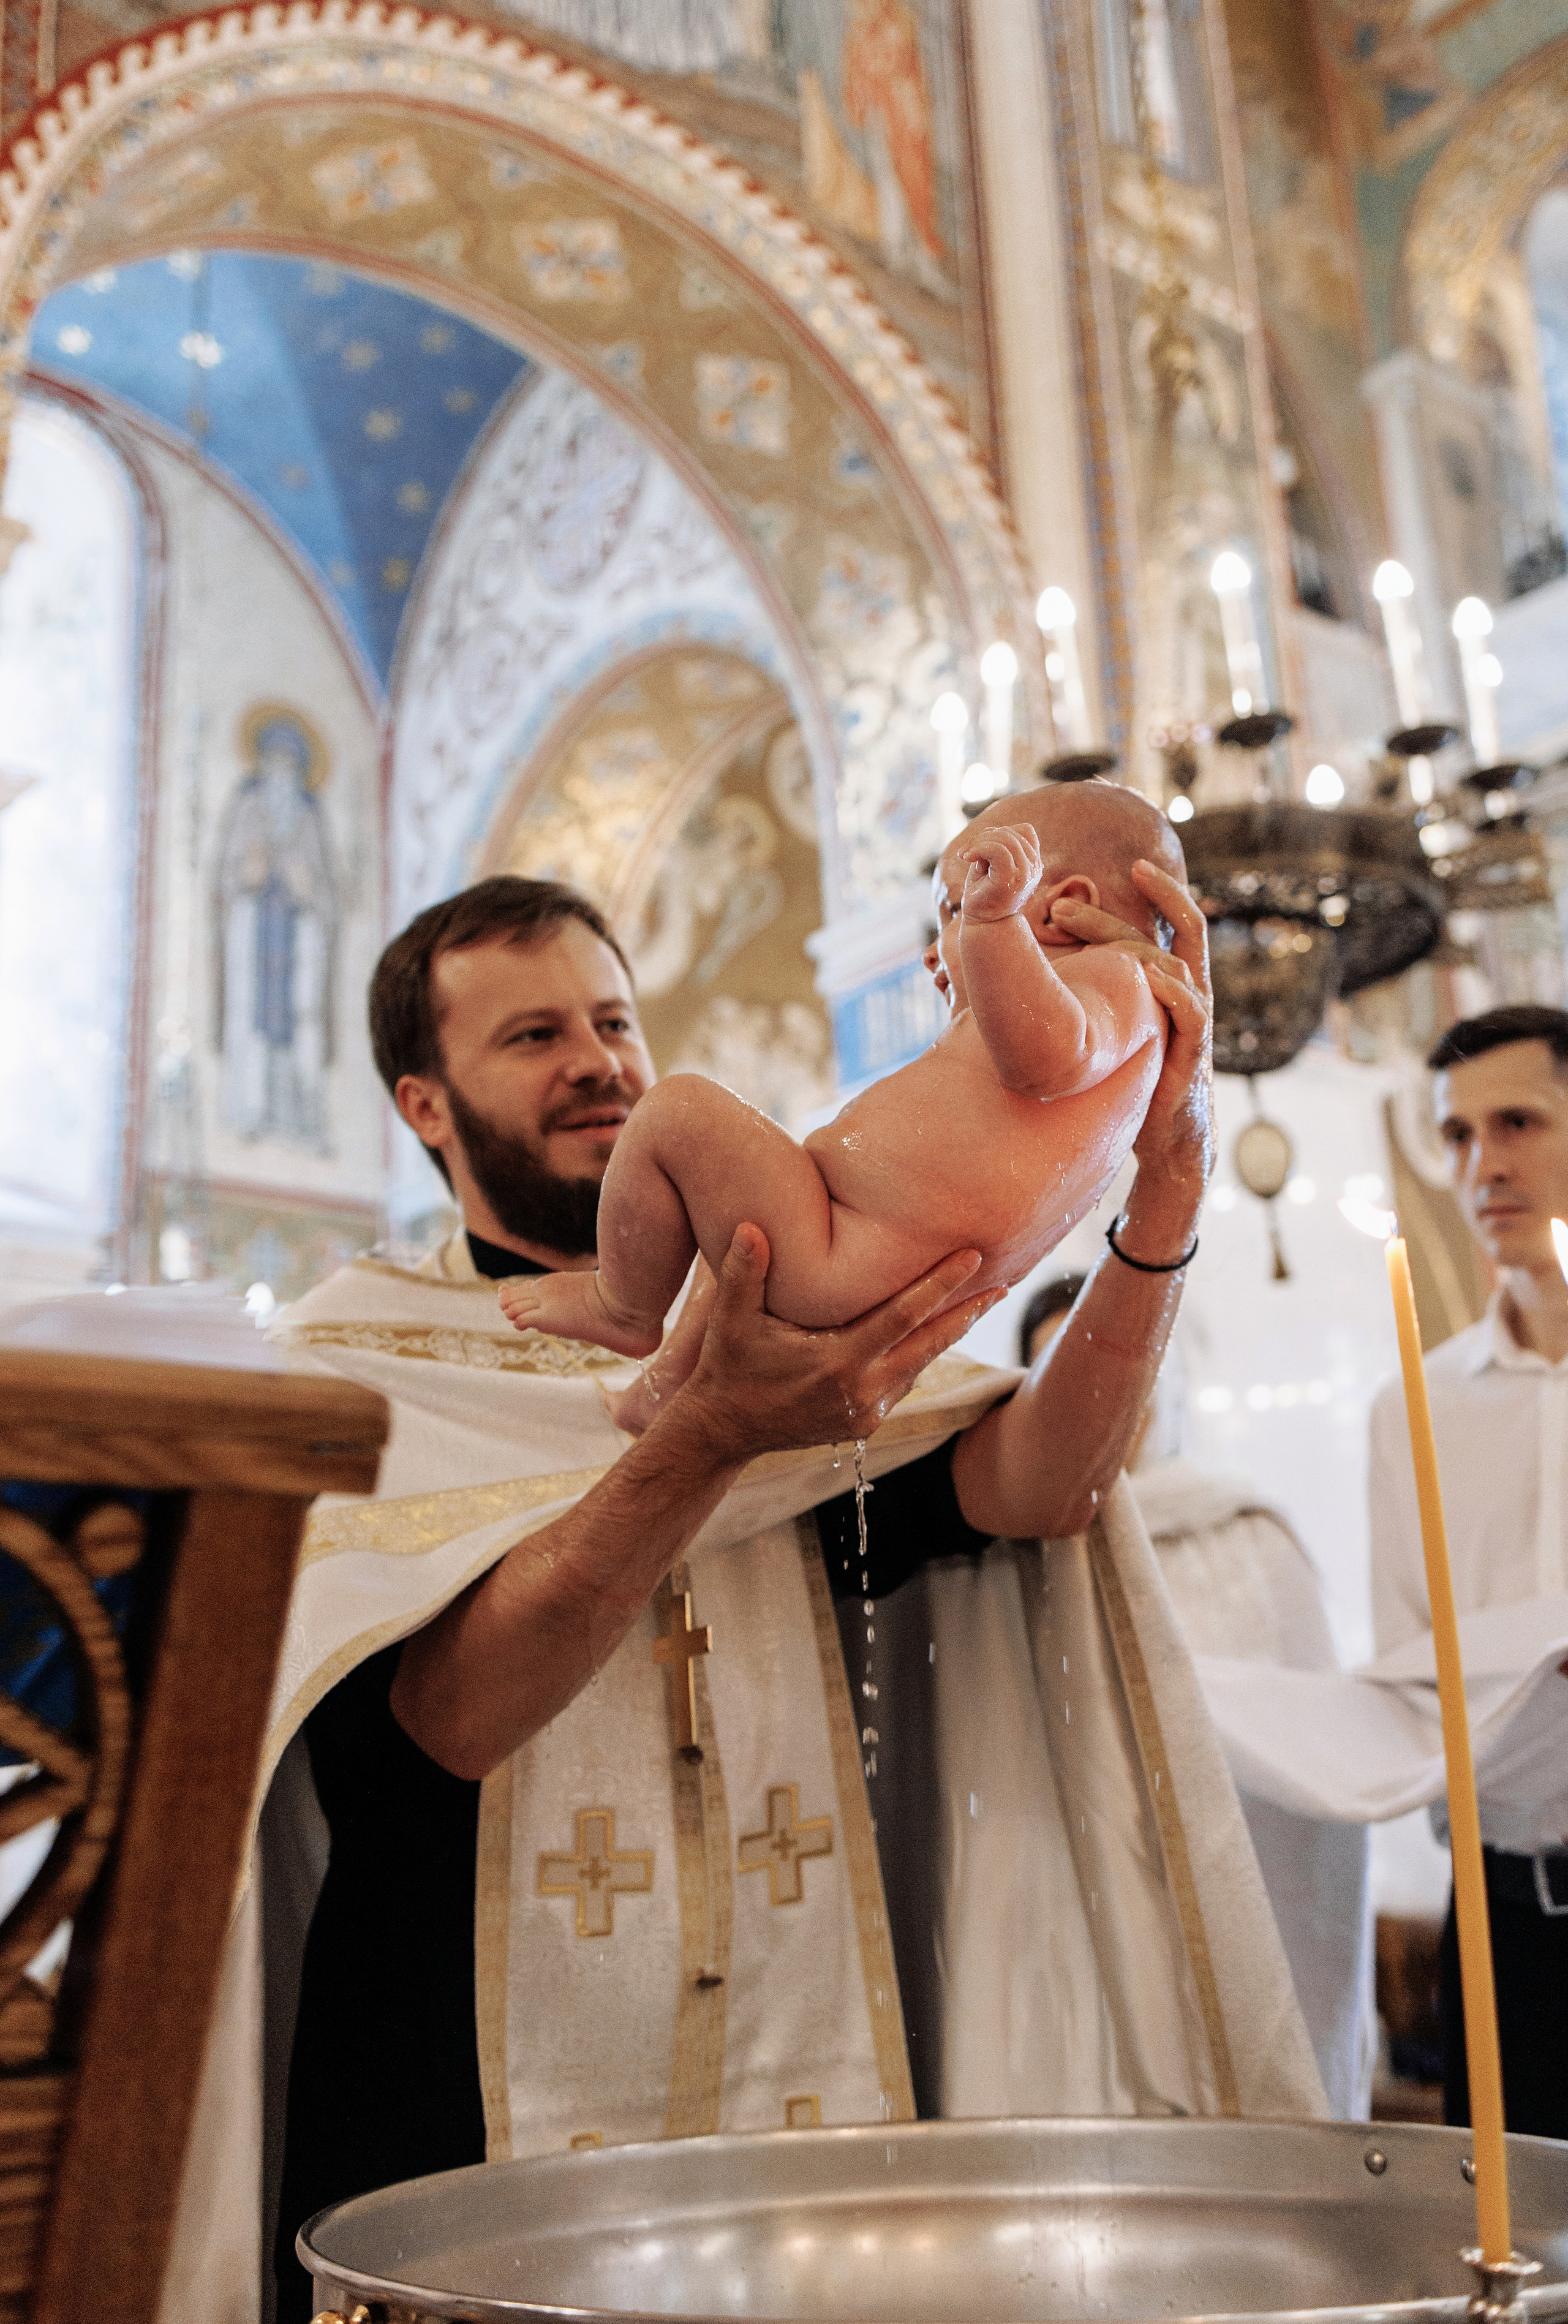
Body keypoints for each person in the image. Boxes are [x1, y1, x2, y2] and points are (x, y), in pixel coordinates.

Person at [157, 869, 1328, 2324]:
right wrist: (708, 1431)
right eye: (530, 1036)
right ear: (424, 1106)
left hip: (789, 2119)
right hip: (443, 2128)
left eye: (611, 1017)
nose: (595, 1058)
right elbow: (443, 1724)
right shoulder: (361, 1364)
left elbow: (1040, 1491)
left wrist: (1157, 1211)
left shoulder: (782, 1305)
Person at [497, 787, 1182, 1364]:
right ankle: (666, 1387)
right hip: (841, 1241)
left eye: (951, 907)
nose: (938, 943)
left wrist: (991, 924)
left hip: (842, 1252)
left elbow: (1046, 1058)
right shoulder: (1053, 1011)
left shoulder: (1117, 976)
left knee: (676, 1109)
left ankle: (622, 1305)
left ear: (1064, 907)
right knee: (721, 1234)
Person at [1016, 1277, 1376, 2117]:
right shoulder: (1005, 1550)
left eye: (1120, 1369)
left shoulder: (1246, 1536)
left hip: (1238, 1911)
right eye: (1062, 1374)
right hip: (1075, 1920)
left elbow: (1315, 1773)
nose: (1095, 1396)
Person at [1368, 1003, 1568, 2139]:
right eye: (1456, 1136)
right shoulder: (1415, 1409)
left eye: (1518, 1123)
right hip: (1500, 1918)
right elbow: (1411, 1673)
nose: (1484, 1163)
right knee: (1516, 2264)